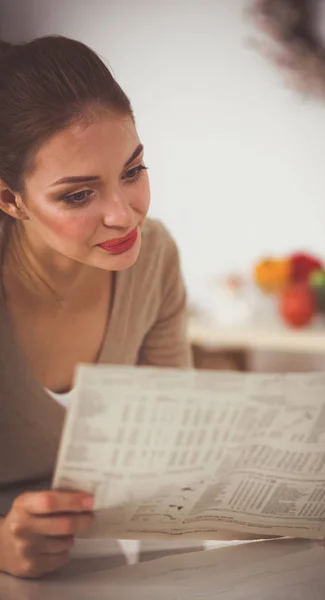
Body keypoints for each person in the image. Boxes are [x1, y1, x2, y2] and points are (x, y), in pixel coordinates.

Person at [0, 35, 192, 578]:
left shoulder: (152, 257)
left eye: (132, 171)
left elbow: (173, 450)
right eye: (79, 195)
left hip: (109, 568)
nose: (124, 215)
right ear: (10, 199)